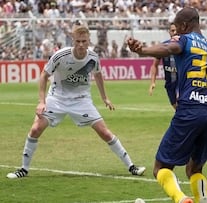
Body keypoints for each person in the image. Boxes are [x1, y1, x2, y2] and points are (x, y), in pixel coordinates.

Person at [127, 7, 207, 203]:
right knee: (194, 169)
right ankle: (202, 198)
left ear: (185, 26)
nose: (175, 33)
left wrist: (142, 50)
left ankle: (181, 199)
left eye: (176, 29)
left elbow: (168, 49)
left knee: (160, 167)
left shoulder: (185, 39)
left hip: (190, 110)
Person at [6, 24, 145, 179]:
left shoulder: (92, 57)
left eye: (84, 41)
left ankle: (131, 166)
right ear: (72, 40)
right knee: (35, 130)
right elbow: (44, 75)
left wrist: (104, 97)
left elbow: (98, 75)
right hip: (57, 98)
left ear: (89, 41)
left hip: (81, 100)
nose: (80, 44)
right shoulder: (60, 55)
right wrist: (41, 101)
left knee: (105, 133)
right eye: (78, 41)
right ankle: (23, 169)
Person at [149, 22, 178, 109]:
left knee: (180, 102)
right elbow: (154, 65)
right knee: (176, 107)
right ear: (169, 32)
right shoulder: (164, 47)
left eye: (176, 30)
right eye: (172, 30)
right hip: (169, 83)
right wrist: (153, 82)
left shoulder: (184, 46)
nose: (175, 32)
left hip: (181, 82)